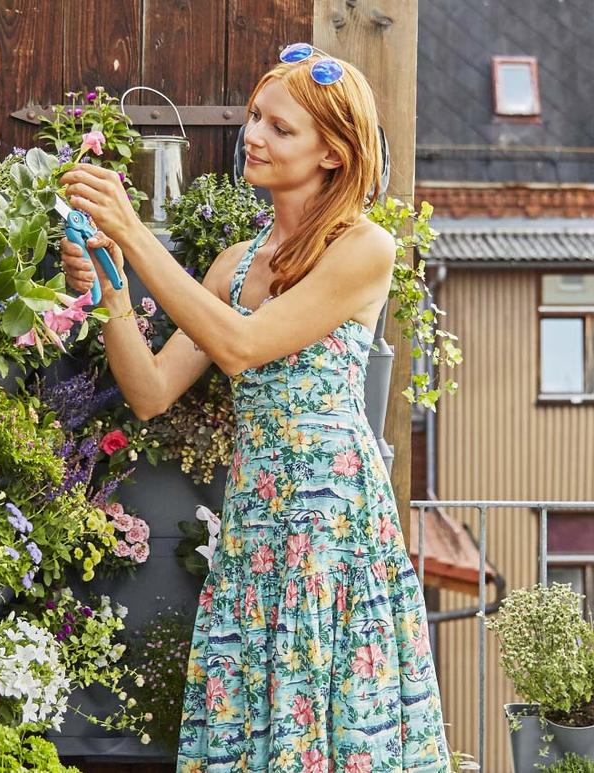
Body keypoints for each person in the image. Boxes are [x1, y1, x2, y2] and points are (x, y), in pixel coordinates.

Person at [60, 44, 451, 772]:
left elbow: (242, 346)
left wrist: (136, 231)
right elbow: (148, 390)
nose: (254, 136)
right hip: (257, 520)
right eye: (253, 118)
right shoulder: (235, 263)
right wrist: (111, 284)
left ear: (333, 153)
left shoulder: (364, 248)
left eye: (280, 127)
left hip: (330, 527)